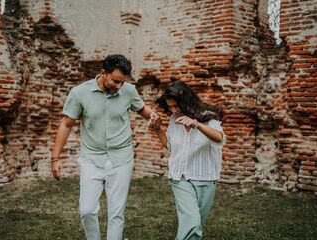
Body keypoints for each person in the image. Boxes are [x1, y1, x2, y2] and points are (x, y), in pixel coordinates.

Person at [51, 54, 159, 240]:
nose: (119, 86)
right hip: (91, 159)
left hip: (122, 159)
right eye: (116, 81)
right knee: (87, 210)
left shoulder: (129, 90)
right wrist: (55, 157)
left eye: (123, 82)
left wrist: (153, 116)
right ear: (103, 72)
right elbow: (66, 124)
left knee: (117, 213)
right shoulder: (79, 93)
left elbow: (141, 109)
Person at [148, 80, 225, 240]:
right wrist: (157, 129)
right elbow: (170, 145)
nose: (174, 110)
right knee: (191, 223)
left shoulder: (208, 117)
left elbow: (219, 138)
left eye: (176, 106)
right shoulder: (174, 119)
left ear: (187, 102)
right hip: (180, 178)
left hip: (205, 178)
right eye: (170, 107)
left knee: (196, 226)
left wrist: (197, 124)